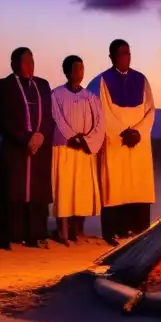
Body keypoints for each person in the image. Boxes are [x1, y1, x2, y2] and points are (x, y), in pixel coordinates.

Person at [92, 39, 157, 246]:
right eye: (121, 54)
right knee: (116, 184)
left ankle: (139, 229)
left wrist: (137, 131)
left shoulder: (142, 79)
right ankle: (113, 230)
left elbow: (150, 109)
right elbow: (104, 112)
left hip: (138, 141)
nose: (125, 58)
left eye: (128, 53)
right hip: (116, 140)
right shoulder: (103, 81)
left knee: (138, 183)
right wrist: (123, 132)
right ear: (111, 56)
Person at [0, 47, 54, 249]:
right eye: (25, 61)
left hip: (40, 147)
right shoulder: (3, 86)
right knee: (13, 191)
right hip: (16, 147)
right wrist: (26, 138)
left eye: (32, 60)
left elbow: (47, 115)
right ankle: (9, 236)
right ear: (14, 64)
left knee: (37, 193)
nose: (30, 65)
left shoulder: (43, 85)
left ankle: (35, 235)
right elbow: (4, 120)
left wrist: (41, 135)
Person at [50, 55, 105, 245]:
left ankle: (77, 231)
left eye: (81, 68)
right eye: (75, 69)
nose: (79, 72)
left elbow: (99, 123)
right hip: (64, 148)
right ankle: (62, 232)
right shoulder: (56, 94)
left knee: (81, 190)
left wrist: (86, 141)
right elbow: (56, 117)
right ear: (66, 71)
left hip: (84, 150)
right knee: (64, 189)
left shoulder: (90, 97)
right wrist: (71, 136)